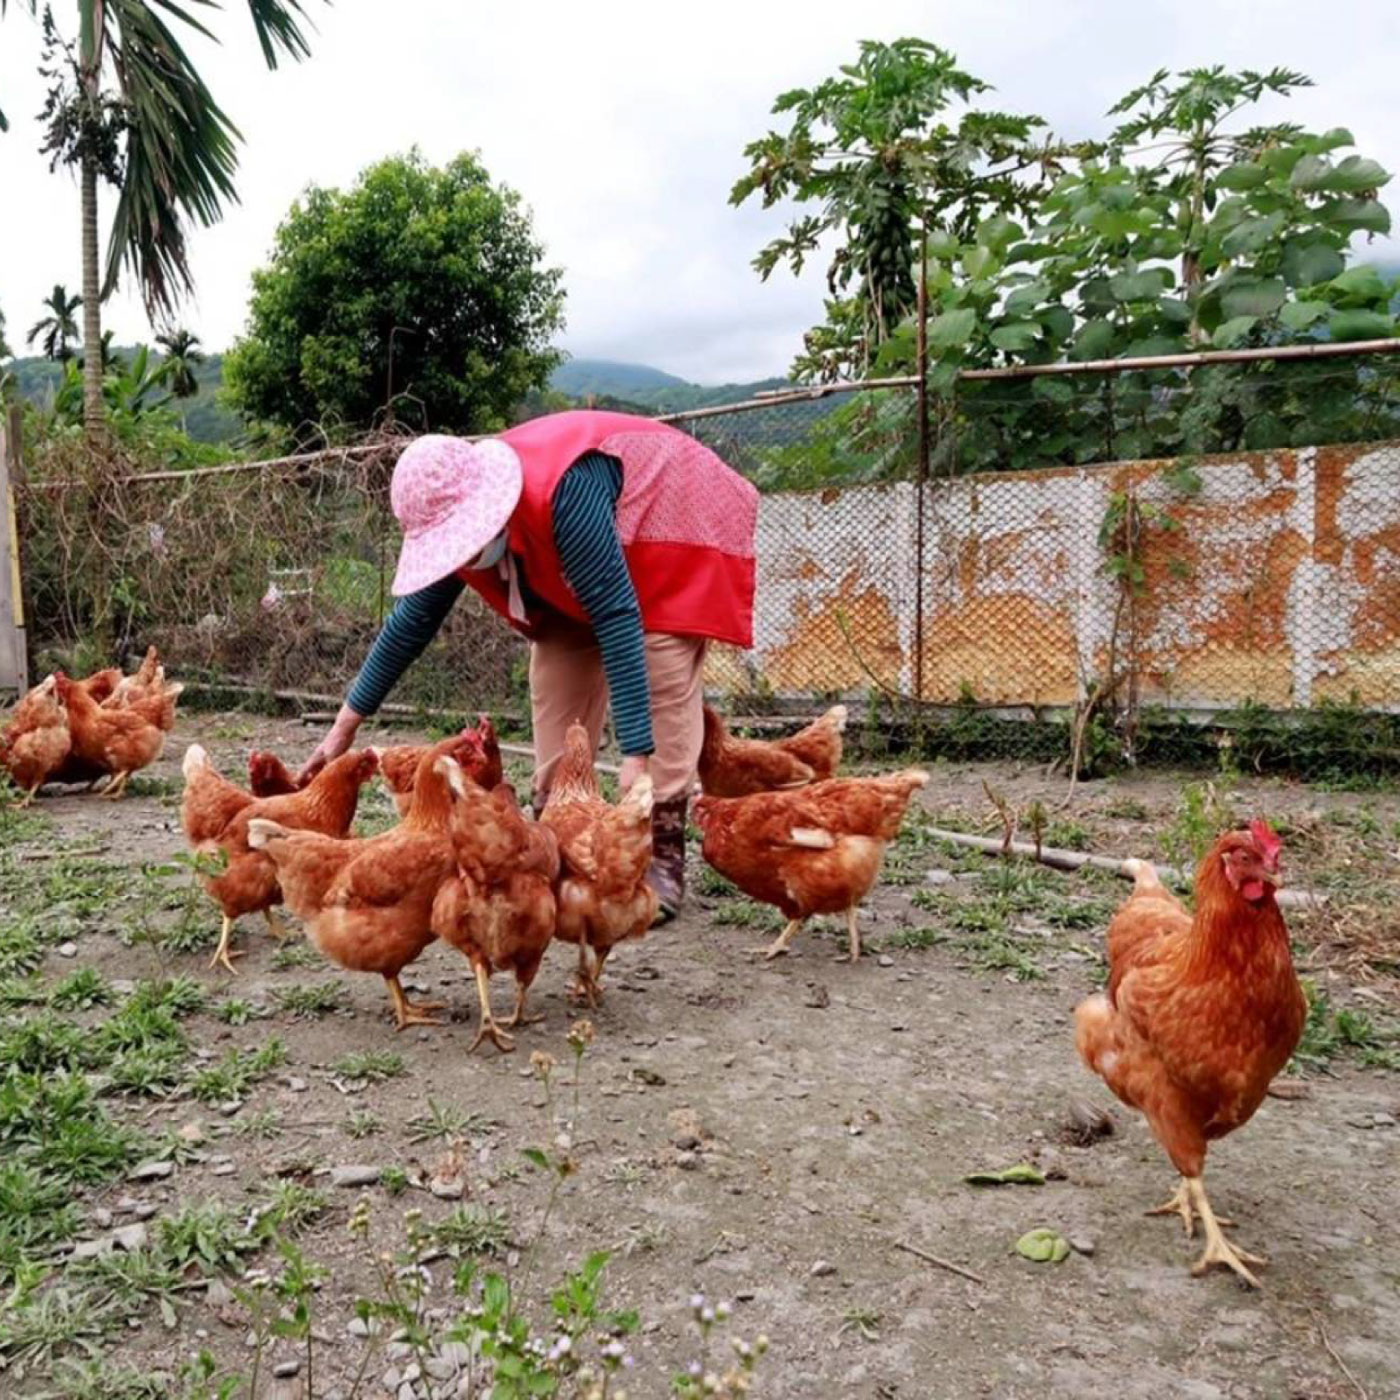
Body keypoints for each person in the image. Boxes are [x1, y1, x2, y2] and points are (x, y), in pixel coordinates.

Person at [300, 409, 759, 922]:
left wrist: (636, 754)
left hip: (669, 518)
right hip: (584, 557)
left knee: (659, 668)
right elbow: (410, 624)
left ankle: (661, 847)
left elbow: (615, 612)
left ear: (489, 513)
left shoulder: (565, 492)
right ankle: (558, 832)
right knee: (555, 670)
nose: (459, 555)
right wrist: (344, 728)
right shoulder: (464, 526)